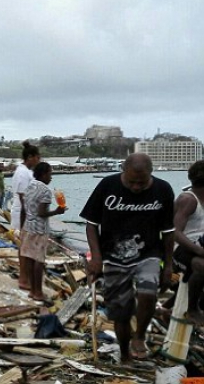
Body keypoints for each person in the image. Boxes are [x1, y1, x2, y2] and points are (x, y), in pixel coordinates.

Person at [80, 153, 175, 363]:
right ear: (123, 170)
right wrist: (96, 258)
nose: (136, 187)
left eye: (142, 183)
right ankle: (124, 354)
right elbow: (91, 225)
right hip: (113, 256)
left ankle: (139, 336)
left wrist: (168, 265)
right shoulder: (107, 186)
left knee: (148, 292)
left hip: (148, 254)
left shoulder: (163, 190)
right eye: (131, 182)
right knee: (121, 312)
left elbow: (169, 232)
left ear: (151, 174)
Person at [20, 162, 66, 301]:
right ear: (44, 174)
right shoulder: (45, 191)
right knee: (38, 261)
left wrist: (21, 227)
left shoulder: (30, 186)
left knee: (29, 258)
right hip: (40, 230)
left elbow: (25, 208)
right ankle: (38, 292)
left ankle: (32, 291)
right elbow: (42, 213)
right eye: (50, 174)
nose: (51, 177)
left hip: (28, 227)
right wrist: (57, 211)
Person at [172, 160, 204, 324]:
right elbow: (175, 233)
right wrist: (198, 250)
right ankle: (192, 309)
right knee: (201, 265)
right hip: (179, 250)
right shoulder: (188, 200)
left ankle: (168, 305)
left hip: (198, 246)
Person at [12, 141, 41, 289]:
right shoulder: (22, 173)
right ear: (30, 157)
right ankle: (24, 280)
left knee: (26, 247)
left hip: (27, 214)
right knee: (25, 247)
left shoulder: (26, 172)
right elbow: (23, 198)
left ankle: (25, 277)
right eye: (37, 157)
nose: (39, 161)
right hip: (24, 215)